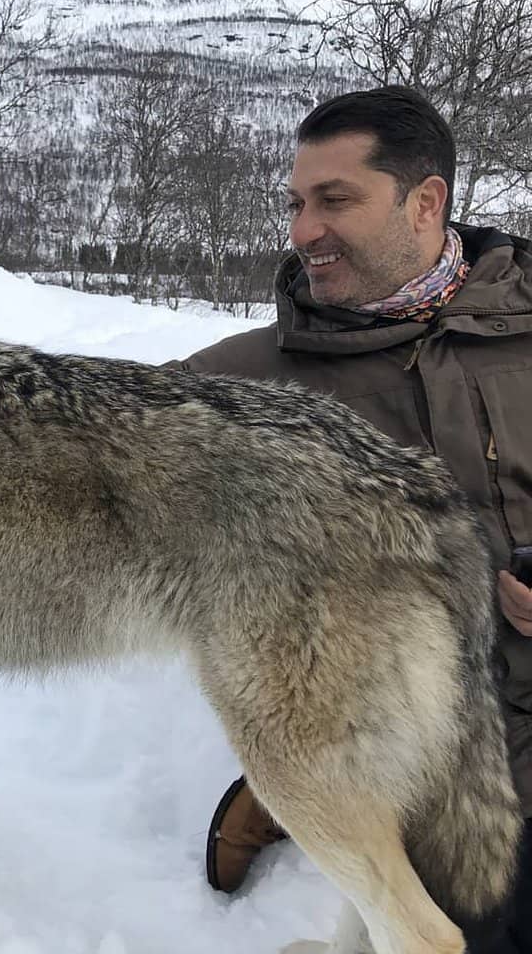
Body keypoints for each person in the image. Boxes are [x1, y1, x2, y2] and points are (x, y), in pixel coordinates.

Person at [170, 85, 532, 952]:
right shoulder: (236, 385)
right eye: (296, 204)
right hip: (444, 743)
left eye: (335, 200)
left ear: (426, 202)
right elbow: (89, 483)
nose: (303, 230)